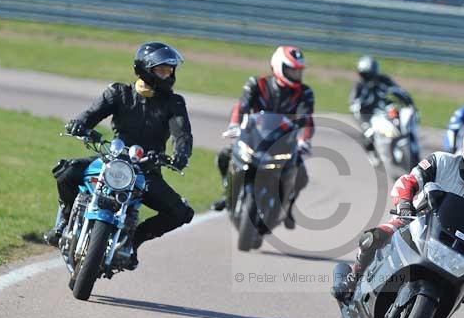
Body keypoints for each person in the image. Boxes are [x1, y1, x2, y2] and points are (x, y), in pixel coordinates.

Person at [332, 123, 464, 318]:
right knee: (375, 238)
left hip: (456, 245)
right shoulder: (441, 161)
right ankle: (352, 281)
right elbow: (407, 182)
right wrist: (405, 205)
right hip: (414, 220)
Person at [44, 41, 194, 269]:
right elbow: (91, 114)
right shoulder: (119, 93)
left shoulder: (174, 103)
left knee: (180, 212)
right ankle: (63, 224)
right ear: (145, 69)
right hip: (112, 161)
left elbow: (182, 134)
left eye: (170, 70)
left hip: (146, 170)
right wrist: (79, 124)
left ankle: (133, 242)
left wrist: (181, 155)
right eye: (162, 70)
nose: (168, 75)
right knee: (66, 171)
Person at [211, 46, 315, 230]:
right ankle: (227, 192)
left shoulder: (305, 93)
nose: (296, 75)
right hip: (253, 137)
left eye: (298, 71)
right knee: (224, 156)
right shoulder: (256, 84)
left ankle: (288, 207)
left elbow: (306, 120)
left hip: (284, 143)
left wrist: (304, 140)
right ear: (278, 66)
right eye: (291, 70)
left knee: (302, 175)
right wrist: (235, 125)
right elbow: (241, 106)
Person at [349, 55, 415, 152]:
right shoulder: (359, 87)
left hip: (387, 109)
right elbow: (354, 107)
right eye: (364, 74)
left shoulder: (383, 80)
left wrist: (409, 102)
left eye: (368, 74)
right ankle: (375, 154)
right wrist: (365, 125)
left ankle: (406, 141)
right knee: (368, 137)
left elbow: (398, 91)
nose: (366, 77)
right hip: (372, 117)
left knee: (400, 116)